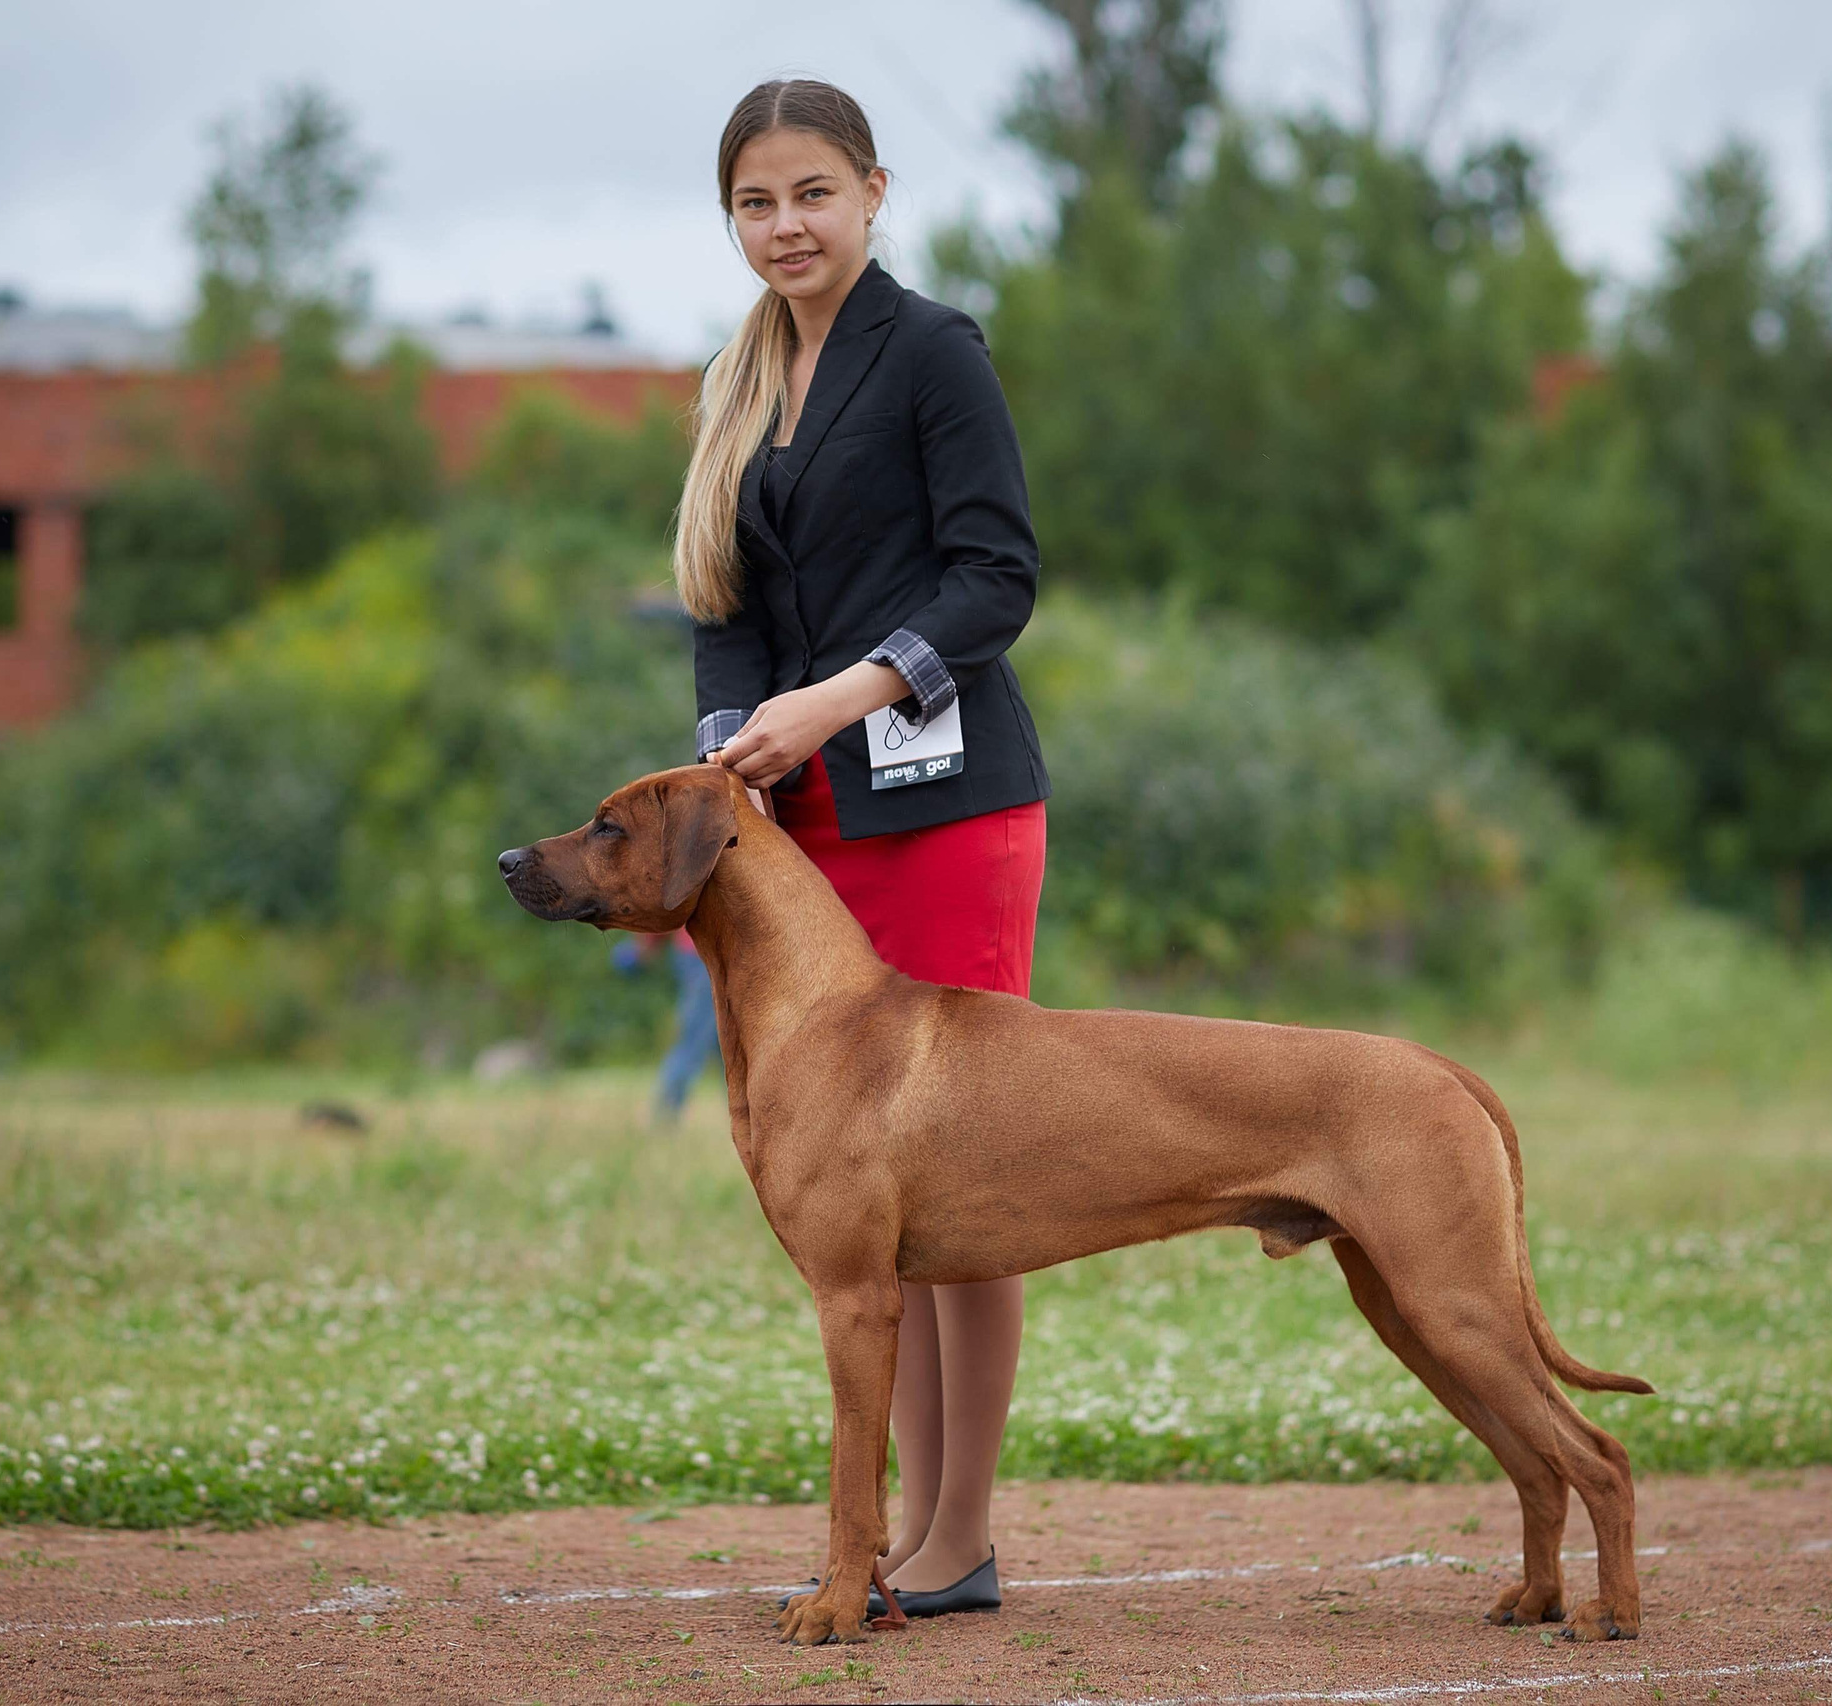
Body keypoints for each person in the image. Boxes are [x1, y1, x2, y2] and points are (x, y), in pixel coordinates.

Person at [675, 77, 1051, 1619]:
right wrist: (723, 743)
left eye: (813, 193)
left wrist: (837, 694)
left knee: (968, 1167)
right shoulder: (739, 382)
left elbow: (996, 577)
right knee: (859, 1184)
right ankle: (901, 1538)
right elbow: (724, 610)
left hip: (951, 806)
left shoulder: (935, 350)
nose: (786, 226)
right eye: (757, 203)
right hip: (799, 828)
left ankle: (957, 1532)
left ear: (876, 191)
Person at [610, 928, 720, 1122]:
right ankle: (665, 1113)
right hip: (703, 953)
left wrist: (646, 946)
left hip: (698, 954)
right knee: (694, 1037)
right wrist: (647, 945)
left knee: (724, 1040)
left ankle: (750, 1112)